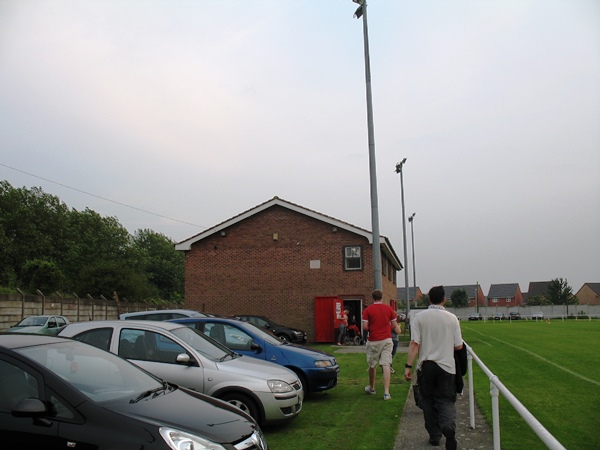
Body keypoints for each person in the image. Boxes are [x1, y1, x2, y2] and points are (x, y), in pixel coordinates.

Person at [404, 286, 463, 450]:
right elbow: (458, 346)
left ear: (429, 299)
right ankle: (448, 426)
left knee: (428, 401)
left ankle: (434, 436)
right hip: (446, 367)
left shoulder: (420, 318)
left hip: (427, 366)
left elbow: (415, 343)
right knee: (446, 400)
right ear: (444, 299)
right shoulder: (452, 319)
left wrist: (408, 366)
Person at [362, 289, 402, 400]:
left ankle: (372, 387)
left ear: (372, 298)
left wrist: (373, 328)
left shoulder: (367, 310)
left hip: (374, 340)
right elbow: (394, 325)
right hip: (387, 340)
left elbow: (365, 327)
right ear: (381, 297)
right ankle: (386, 392)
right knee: (386, 364)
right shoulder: (389, 309)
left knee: (372, 365)